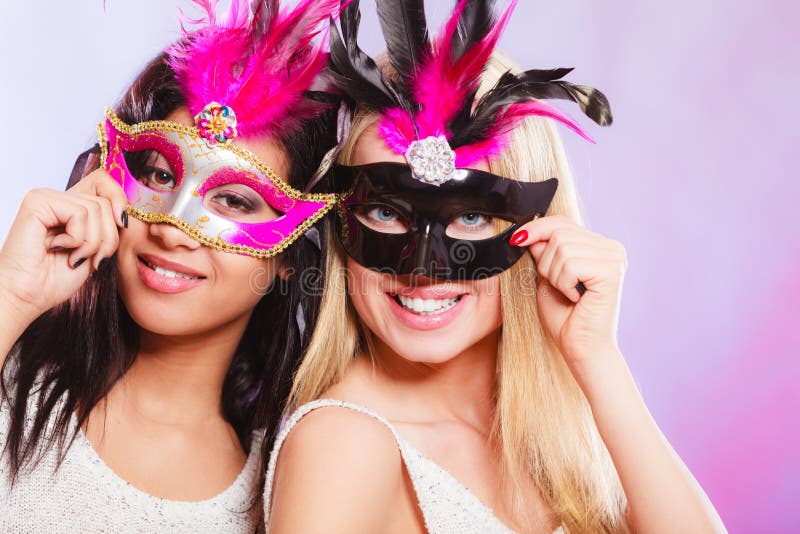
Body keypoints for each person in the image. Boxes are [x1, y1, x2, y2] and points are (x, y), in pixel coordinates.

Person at [264, 1, 727, 533]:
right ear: (339, 225)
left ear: (538, 233)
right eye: (385, 212)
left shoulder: (556, 433)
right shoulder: (343, 445)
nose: (425, 269)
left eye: (475, 216)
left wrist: (597, 359)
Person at [0, 0, 344, 531]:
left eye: (234, 202)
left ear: (292, 255)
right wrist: (12, 297)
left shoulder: (288, 495)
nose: (170, 228)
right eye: (160, 175)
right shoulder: (13, 379)